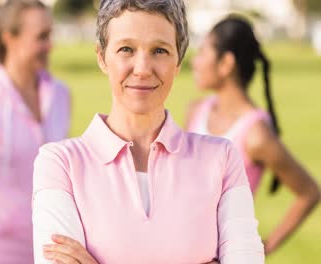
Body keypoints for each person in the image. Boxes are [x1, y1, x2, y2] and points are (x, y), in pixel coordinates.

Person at [32, 1, 264, 263]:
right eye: (126, 49)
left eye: (160, 51)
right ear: (101, 57)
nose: (142, 69)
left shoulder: (222, 158)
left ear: (178, 60)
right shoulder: (60, 164)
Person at [186, 15, 320, 255]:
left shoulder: (255, 134)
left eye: (203, 52)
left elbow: (309, 192)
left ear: (226, 63)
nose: (195, 62)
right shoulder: (196, 111)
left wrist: (265, 248)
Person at [0, 0, 71, 262]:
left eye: (50, 35)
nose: (50, 45)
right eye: (42, 37)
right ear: (10, 39)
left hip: (50, 250)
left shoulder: (61, 94)